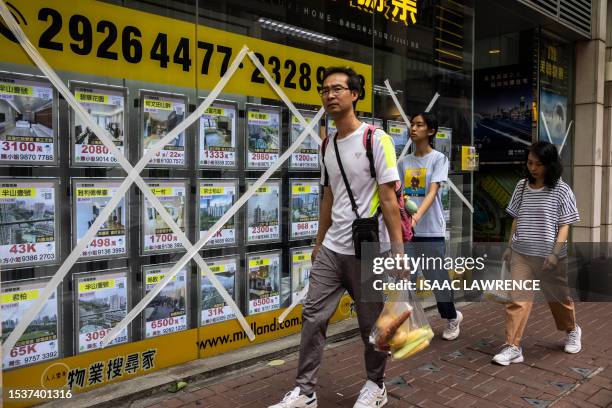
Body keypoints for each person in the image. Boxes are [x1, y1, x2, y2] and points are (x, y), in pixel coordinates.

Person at [270, 67, 402, 408]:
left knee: (371, 324)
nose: (330, 95)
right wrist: (318, 241)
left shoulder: (377, 139)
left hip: (369, 249)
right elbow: (329, 196)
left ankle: (376, 385)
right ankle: (305, 391)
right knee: (313, 316)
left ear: (355, 94)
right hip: (332, 248)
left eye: (338, 89)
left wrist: (398, 251)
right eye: (325, 89)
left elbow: (388, 199)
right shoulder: (327, 144)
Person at [492, 141, 581, 366]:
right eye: (530, 163)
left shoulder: (561, 189)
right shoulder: (522, 186)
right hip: (522, 254)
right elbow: (516, 219)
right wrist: (510, 246)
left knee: (559, 299)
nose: (533, 168)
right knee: (517, 300)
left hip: (550, 257)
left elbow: (564, 226)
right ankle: (513, 346)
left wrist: (554, 253)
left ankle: (572, 329)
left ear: (550, 165)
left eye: (538, 164)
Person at [397, 112, 462, 340]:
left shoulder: (438, 159)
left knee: (438, 279)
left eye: (419, 125)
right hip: (409, 234)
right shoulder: (403, 162)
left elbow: (433, 192)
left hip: (431, 230)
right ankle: (411, 324)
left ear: (431, 131)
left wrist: (415, 218)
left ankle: (452, 318)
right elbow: (399, 194)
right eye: (412, 125)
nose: (413, 128)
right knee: (407, 279)